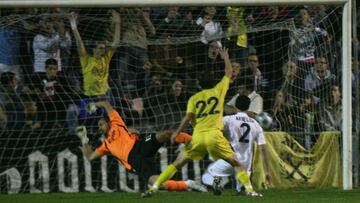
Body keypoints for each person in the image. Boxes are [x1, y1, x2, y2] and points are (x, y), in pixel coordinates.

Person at [143, 47, 262, 197]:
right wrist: (225, 57)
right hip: (214, 136)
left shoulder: (194, 98)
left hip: (198, 136)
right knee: (237, 163)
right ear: (213, 82)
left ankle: (154, 187)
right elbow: (229, 73)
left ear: (199, 84)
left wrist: (176, 133)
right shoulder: (218, 90)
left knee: (177, 164)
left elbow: (187, 118)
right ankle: (250, 191)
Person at [75, 100, 207, 193]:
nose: (100, 127)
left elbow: (105, 104)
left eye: (101, 124)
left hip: (140, 145)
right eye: (98, 126)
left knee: (164, 134)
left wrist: (93, 105)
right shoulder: (106, 145)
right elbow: (90, 156)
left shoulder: (116, 123)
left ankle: (194, 141)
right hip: (134, 162)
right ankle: (189, 184)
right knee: (156, 183)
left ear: (108, 123)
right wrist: (83, 139)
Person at [201, 95, 271, 194]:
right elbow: (264, 148)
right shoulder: (256, 124)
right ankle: (242, 188)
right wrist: (267, 171)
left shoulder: (228, 119)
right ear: (249, 107)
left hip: (230, 161)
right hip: (245, 166)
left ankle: (215, 180)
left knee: (208, 174)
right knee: (243, 190)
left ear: (235, 106)